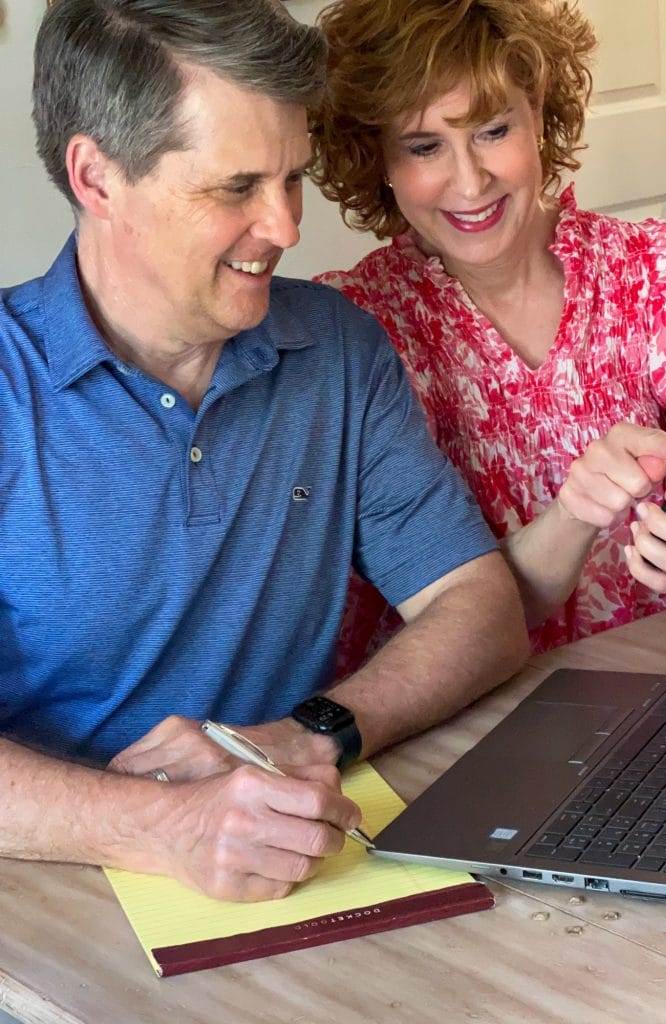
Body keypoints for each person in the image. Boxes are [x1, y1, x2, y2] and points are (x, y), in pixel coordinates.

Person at [0, 0, 528, 904]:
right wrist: (162, 827)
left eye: (294, 180)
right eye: (236, 187)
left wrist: (311, 732)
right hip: (46, 906)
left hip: (287, 883)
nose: (285, 227)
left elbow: (479, 603)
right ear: (95, 176)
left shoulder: (336, 349)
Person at [310, 0, 666, 673]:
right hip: (466, 725)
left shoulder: (660, 274)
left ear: (540, 113)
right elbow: (443, 626)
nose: (470, 182)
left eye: (493, 131)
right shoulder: (355, 334)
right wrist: (576, 512)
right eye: (424, 146)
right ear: (375, 156)